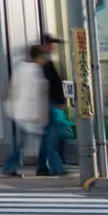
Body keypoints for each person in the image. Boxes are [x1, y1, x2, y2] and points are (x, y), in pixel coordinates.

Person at [3, 42, 51, 178]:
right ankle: (10, 168)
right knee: (23, 143)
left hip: (20, 112)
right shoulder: (33, 71)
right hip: (27, 113)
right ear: (38, 57)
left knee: (21, 143)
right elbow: (33, 95)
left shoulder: (21, 68)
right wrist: (38, 115)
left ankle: (10, 168)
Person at [39, 34, 70, 176]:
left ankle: (42, 167)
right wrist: (59, 100)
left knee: (48, 137)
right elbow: (50, 85)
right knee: (53, 136)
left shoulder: (48, 62)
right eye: (50, 44)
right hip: (49, 103)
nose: (52, 47)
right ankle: (57, 167)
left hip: (50, 103)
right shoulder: (43, 63)